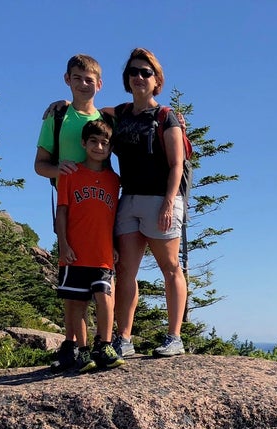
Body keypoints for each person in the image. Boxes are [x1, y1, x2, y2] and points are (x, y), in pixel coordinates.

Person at [108, 48, 187, 358]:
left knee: (170, 268)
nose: (139, 77)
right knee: (125, 270)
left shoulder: (166, 118)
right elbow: (88, 111)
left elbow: (176, 165)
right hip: (128, 199)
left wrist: (169, 202)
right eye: (133, 72)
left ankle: (174, 337)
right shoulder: (120, 114)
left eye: (145, 72)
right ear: (127, 79)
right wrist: (60, 107)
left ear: (157, 80)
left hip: (160, 200)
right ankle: (124, 339)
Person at [34, 54, 105, 370]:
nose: (83, 84)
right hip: (68, 205)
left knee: (97, 280)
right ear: (67, 80)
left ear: (98, 84)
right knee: (72, 278)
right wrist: (55, 170)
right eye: (77, 78)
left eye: (89, 79)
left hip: (97, 206)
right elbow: (39, 165)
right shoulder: (57, 118)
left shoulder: (106, 119)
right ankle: (72, 346)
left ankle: (89, 347)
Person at [52, 119, 125, 372]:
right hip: (75, 254)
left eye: (105, 142)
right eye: (93, 141)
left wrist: (115, 245)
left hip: (103, 253)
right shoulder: (70, 175)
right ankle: (82, 351)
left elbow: (114, 218)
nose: (99, 146)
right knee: (77, 305)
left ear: (110, 148)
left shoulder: (114, 181)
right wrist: (63, 244)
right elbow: (61, 212)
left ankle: (104, 344)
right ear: (83, 143)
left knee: (105, 299)